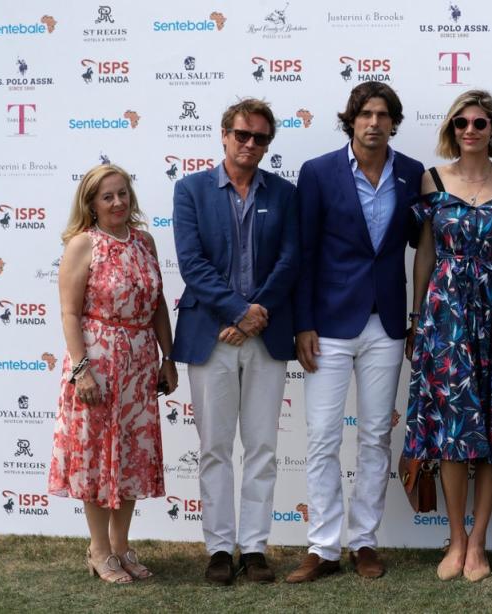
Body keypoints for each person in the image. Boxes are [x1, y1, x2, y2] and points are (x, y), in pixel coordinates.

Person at [286, 82, 424, 583]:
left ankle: (364, 541)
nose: (373, 122)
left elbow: (424, 242)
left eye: (383, 114)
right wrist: (302, 322)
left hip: (386, 323)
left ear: (393, 121)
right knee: (322, 438)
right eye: (365, 114)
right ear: (351, 120)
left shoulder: (412, 173)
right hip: (328, 325)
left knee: (373, 439)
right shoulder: (319, 172)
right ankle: (323, 547)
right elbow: (303, 253)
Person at [404, 90, 492, 583]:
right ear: (451, 128)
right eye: (462, 122)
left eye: (480, 122)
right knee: (453, 432)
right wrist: (419, 317)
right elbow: (424, 254)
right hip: (444, 320)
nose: (471, 130)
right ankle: (456, 539)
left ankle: (480, 541)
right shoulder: (432, 180)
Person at [171, 98, 300, 585]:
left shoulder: (285, 195)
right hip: (212, 335)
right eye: (242, 134)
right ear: (224, 135)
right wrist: (236, 311)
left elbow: (290, 260)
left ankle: (255, 548)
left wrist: (254, 315)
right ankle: (220, 548)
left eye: (260, 138)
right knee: (215, 448)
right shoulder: (191, 190)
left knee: (263, 446)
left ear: (268, 144)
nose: (250, 144)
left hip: (264, 335)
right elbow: (192, 262)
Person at [49, 163, 177, 583]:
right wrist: (81, 369)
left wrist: (168, 357)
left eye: (123, 193)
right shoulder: (83, 245)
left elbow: (158, 304)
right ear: (91, 203)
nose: (118, 202)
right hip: (97, 365)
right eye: (108, 196)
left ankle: (122, 548)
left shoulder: (145, 241)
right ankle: (98, 549)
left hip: (140, 364)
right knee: (97, 456)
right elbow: (69, 312)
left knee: (131, 459)